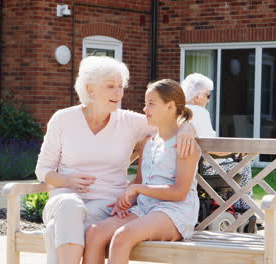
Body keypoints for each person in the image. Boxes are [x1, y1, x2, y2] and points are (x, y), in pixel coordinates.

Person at [35, 56, 196, 264]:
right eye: (110, 86)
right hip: (65, 200)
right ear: (90, 89)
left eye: (120, 86)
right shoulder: (63, 119)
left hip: (106, 206)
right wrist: (68, 181)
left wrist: (187, 127)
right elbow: (42, 170)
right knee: (70, 205)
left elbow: (169, 121)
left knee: (55, 229)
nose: (118, 93)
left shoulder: (129, 121)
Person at [82, 79, 201, 264]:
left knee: (122, 236)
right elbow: (139, 180)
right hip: (145, 208)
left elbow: (180, 192)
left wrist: (139, 189)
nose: (145, 109)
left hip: (174, 212)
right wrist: (124, 201)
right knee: (94, 232)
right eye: (145, 104)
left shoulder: (184, 143)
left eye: (151, 104)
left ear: (170, 106)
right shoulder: (148, 141)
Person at [181, 73, 252, 212]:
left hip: (182, 168)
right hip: (203, 171)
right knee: (244, 164)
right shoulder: (199, 112)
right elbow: (213, 148)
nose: (208, 100)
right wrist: (235, 152)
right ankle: (245, 211)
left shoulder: (178, 111)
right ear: (197, 96)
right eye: (208, 96)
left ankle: (222, 209)